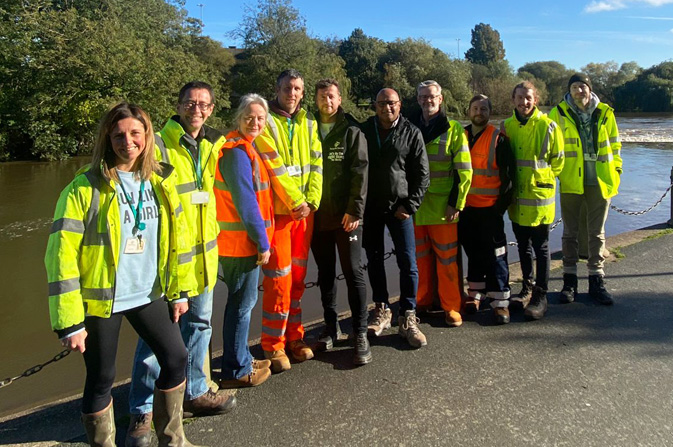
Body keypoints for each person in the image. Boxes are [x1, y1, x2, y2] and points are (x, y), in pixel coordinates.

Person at [45, 102, 197, 446]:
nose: (127, 141)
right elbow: (60, 257)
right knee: (102, 378)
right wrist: (70, 322)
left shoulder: (161, 181)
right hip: (102, 300)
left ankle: (174, 439)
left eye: (134, 133)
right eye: (118, 135)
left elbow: (178, 239)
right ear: (106, 138)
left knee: (176, 358)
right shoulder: (84, 188)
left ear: (147, 135)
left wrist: (180, 291)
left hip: (149, 293)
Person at [128, 82, 235, 445]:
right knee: (154, 342)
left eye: (204, 104)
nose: (197, 109)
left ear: (212, 108)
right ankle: (141, 412)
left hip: (203, 259)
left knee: (200, 326)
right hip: (167, 262)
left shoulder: (212, 144)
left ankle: (195, 391)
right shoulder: (157, 143)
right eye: (190, 102)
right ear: (178, 105)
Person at [254, 69, 323, 372]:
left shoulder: (309, 123)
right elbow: (274, 166)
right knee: (278, 281)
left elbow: (317, 164)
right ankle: (273, 345)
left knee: (296, 280)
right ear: (277, 89)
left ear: (302, 92)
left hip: (305, 215)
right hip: (280, 214)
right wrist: (296, 202)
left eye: (297, 88)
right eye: (287, 88)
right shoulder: (266, 121)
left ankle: (295, 337)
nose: (292, 93)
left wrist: (312, 201)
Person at [361, 88, 430, 348]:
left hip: (400, 208)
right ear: (374, 105)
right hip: (370, 207)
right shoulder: (365, 129)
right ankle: (382, 310)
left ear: (400, 105)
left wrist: (410, 205)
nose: (386, 108)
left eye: (391, 103)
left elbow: (422, 174)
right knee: (374, 260)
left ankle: (408, 316)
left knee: (408, 262)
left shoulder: (412, 132)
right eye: (381, 103)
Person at [214, 94, 274, 388]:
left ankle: (241, 357)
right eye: (249, 117)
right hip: (240, 244)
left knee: (242, 303)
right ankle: (236, 369)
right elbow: (246, 202)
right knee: (241, 304)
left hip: (240, 241)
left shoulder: (245, 148)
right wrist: (262, 242)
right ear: (238, 118)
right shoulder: (237, 152)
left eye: (260, 118)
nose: (255, 122)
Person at [310, 79, 370, 365]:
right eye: (322, 96)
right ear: (316, 99)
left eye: (332, 96)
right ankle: (330, 326)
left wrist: (355, 210)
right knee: (325, 273)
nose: (327, 101)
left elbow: (360, 171)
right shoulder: (307, 128)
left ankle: (359, 332)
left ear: (340, 98)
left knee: (354, 272)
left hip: (348, 217)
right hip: (318, 216)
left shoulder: (352, 131)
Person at [549, 74, 622, 305]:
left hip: (600, 181)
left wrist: (617, 170)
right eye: (574, 87)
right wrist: (557, 173)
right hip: (571, 180)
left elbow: (615, 144)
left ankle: (596, 280)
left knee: (596, 233)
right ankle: (569, 281)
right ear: (569, 91)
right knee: (569, 233)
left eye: (582, 86)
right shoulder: (557, 114)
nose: (579, 91)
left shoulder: (606, 112)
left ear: (589, 89)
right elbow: (550, 145)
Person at [409, 80, 472, 328]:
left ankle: (451, 306)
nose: (428, 101)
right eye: (423, 97)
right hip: (415, 207)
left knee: (447, 261)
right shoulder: (409, 126)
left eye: (432, 96)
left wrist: (456, 202)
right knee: (420, 259)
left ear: (441, 98)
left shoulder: (454, 129)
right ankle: (422, 300)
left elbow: (464, 171)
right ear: (418, 100)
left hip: (443, 207)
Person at [503, 81, 564, 320]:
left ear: (535, 100)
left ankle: (541, 294)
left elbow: (558, 162)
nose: (524, 102)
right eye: (519, 97)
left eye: (528, 97)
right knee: (522, 246)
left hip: (540, 198)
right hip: (517, 199)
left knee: (542, 247)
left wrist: (541, 179)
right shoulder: (507, 126)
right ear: (513, 100)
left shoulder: (549, 126)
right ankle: (526, 288)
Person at [459, 94, 516, 324]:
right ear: (468, 111)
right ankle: (475, 294)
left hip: (490, 209)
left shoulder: (498, 139)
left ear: (489, 112)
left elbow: (509, 179)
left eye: (484, 108)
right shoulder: (459, 136)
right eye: (475, 108)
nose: (479, 112)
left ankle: (500, 302)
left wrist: (498, 209)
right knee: (473, 252)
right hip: (466, 209)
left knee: (496, 255)